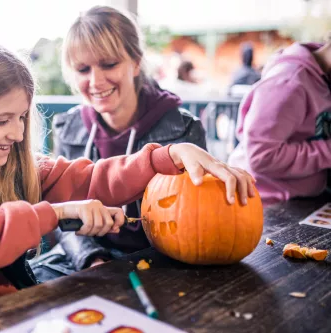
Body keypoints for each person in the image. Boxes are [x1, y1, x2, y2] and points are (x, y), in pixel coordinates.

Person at [0, 38, 253, 332]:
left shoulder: (6, 159)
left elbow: (89, 178)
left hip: (2, 315)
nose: (16, 133)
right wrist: (54, 215)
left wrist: (164, 157)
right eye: (2, 120)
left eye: (22, 119)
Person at [30, 6, 209, 281]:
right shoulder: (68, 127)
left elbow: (195, 216)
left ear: (136, 62)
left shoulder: (183, 128)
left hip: (161, 265)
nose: (96, 81)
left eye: (109, 64)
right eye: (83, 69)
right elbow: (63, 214)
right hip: (86, 260)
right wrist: (92, 258)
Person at [228, 36, 331, 204]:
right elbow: (261, 155)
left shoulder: (322, 78)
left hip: (303, 200)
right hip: (265, 206)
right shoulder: (289, 82)